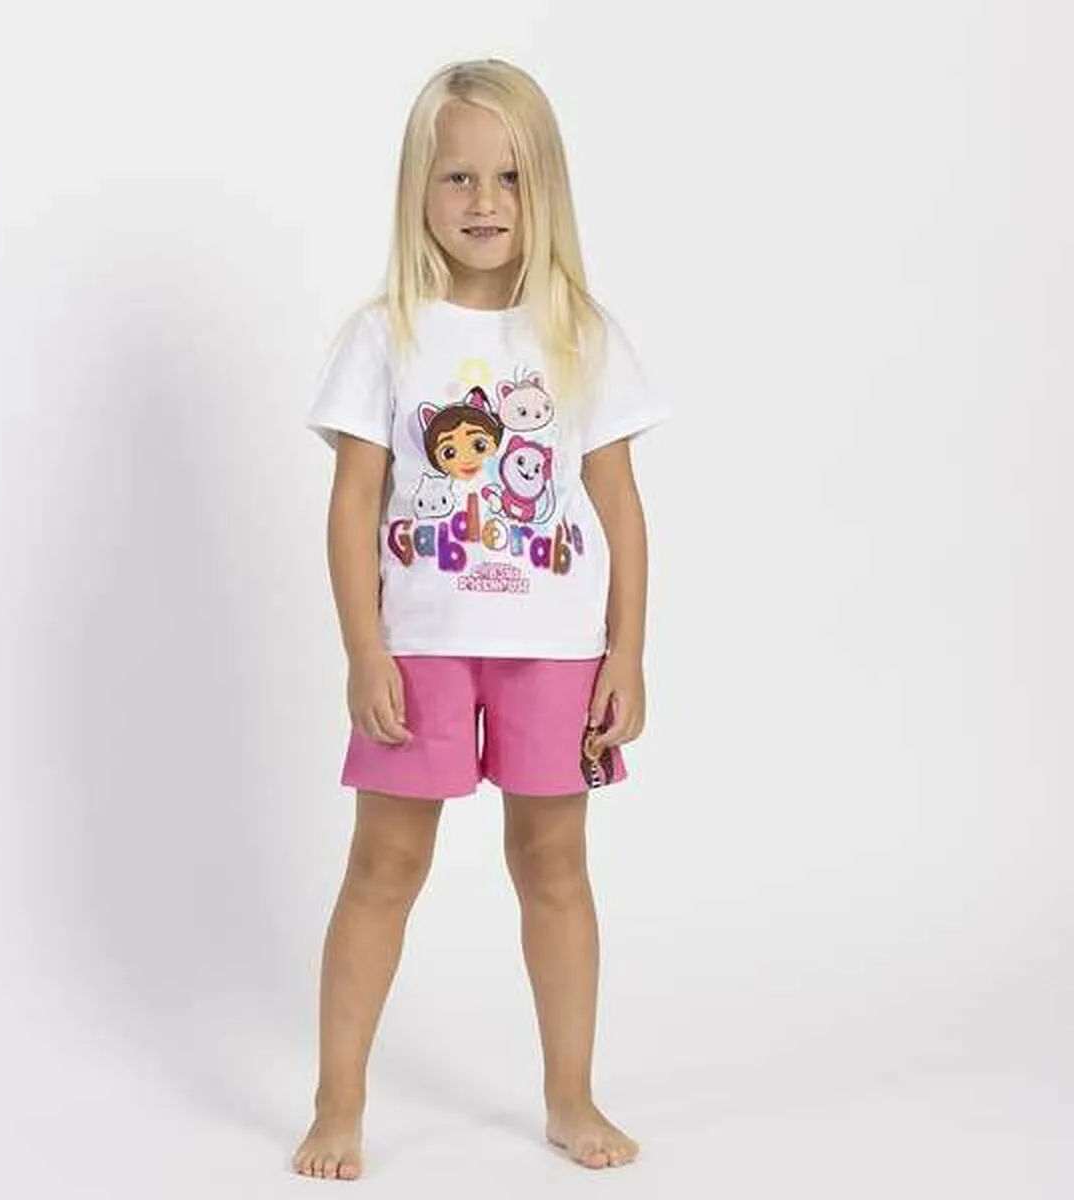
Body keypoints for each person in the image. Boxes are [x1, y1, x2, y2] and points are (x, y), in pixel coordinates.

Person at [294, 58, 670, 1180]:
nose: (484, 201)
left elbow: (620, 506)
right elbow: (353, 503)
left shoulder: (582, 334)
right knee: (383, 867)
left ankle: (570, 1095)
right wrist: (364, 647)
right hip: (419, 649)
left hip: (555, 651)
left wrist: (628, 651)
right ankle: (338, 1103)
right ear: (419, 189)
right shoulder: (386, 335)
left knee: (554, 866)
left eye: (509, 177)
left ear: (545, 187)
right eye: (457, 176)